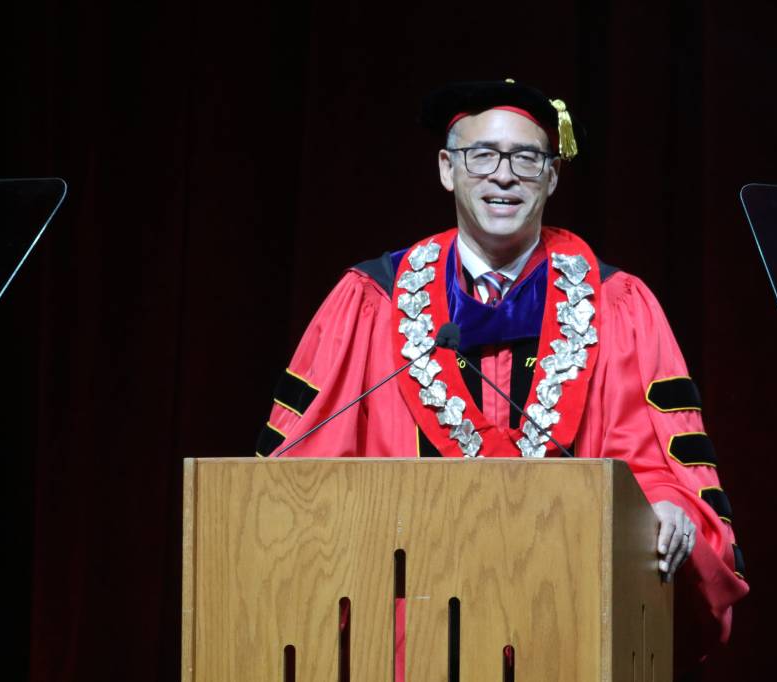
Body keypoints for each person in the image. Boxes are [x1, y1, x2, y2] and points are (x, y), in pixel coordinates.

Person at [256, 79, 748, 672]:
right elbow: (306, 468)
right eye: (482, 155)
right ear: (447, 168)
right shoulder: (372, 300)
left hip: (563, 614)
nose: (504, 175)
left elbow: (655, 460)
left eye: (527, 158)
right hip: (406, 630)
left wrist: (668, 509)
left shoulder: (618, 305)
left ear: (552, 176)